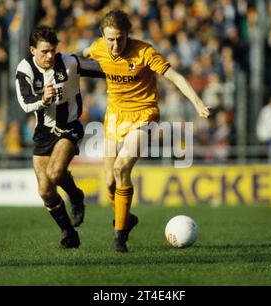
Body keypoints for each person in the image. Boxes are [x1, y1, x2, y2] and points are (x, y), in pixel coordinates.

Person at [82, 10, 210, 252]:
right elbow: (83, 55)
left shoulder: (144, 52)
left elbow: (175, 77)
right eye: (110, 39)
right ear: (103, 36)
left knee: (121, 169)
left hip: (144, 115)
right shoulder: (98, 47)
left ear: (127, 34)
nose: (115, 44)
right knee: (109, 182)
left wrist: (198, 103)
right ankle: (127, 219)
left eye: (120, 38)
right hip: (114, 117)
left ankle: (119, 237)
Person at [15, 26, 103, 248]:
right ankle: (69, 233)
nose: (50, 56)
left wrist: (134, 68)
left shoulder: (70, 62)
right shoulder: (24, 69)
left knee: (55, 173)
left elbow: (104, 68)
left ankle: (76, 196)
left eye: (53, 51)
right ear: (32, 50)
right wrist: (43, 100)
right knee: (45, 191)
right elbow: (25, 103)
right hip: (44, 132)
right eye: (44, 51)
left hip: (69, 127)